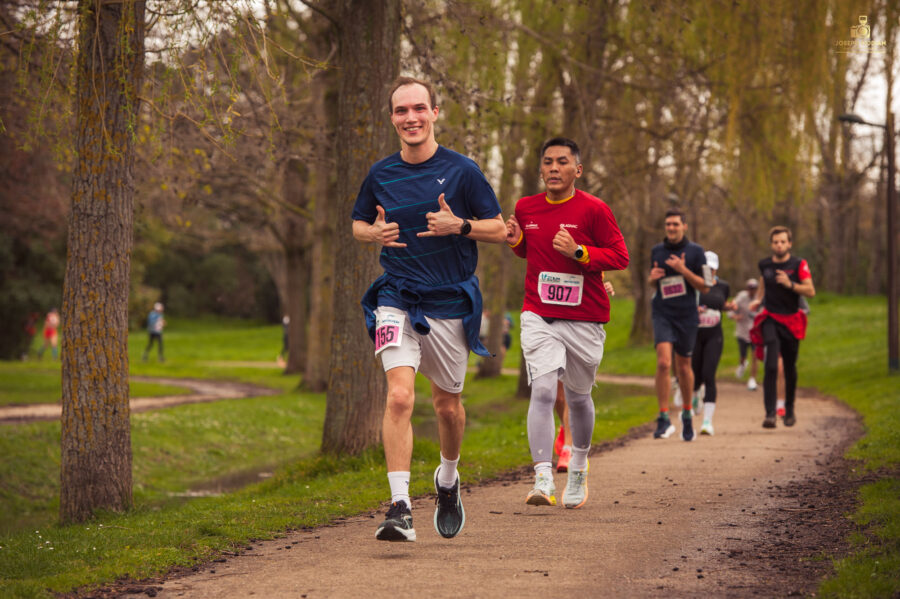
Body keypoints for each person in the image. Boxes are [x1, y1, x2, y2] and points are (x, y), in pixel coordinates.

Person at [352, 76, 506, 542]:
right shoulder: (380, 174)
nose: (411, 118)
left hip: (449, 304)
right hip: (396, 296)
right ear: (392, 118)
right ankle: (399, 507)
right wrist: (372, 235)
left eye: (419, 108)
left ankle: (447, 478)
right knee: (399, 396)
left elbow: (500, 230)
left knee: (448, 408)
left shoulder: (462, 171)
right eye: (402, 111)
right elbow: (358, 224)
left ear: (435, 113)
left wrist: (460, 225)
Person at [506, 137, 629, 509]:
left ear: (577, 170)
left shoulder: (594, 209)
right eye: (548, 162)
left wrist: (579, 252)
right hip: (538, 312)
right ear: (540, 169)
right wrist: (515, 242)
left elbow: (620, 256)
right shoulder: (525, 207)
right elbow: (532, 250)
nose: (554, 168)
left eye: (562, 162)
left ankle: (577, 464)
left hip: (585, 317)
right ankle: (543, 476)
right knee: (543, 390)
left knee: (577, 397)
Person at [647, 208, 709, 441]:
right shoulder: (657, 251)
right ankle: (663, 417)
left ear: (684, 226)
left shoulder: (696, 252)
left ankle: (686, 412)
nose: (671, 228)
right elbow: (653, 282)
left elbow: (705, 286)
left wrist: (684, 271)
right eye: (668, 225)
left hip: (687, 315)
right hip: (662, 312)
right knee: (663, 363)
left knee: (684, 366)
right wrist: (651, 279)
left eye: (675, 224)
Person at [749, 226, 815, 428]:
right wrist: (758, 300)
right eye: (776, 242)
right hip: (770, 317)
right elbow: (763, 283)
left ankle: (789, 410)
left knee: (789, 367)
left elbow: (810, 291)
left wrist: (790, 284)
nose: (779, 245)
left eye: (783, 241)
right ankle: (769, 414)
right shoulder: (765, 265)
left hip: (791, 320)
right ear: (771, 244)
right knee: (770, 365)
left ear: (789, 244)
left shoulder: (798, 264)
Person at [690, 251, 733, 436]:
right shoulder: (693, 284)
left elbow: (722, 303)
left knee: (709, 374)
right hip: (694, 334)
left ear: (716, 269)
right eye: (705, 268)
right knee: (695, 376)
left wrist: (729, 307)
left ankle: (707, 422)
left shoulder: (723, 286)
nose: (709, 271)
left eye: (712, 268)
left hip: (714, 335)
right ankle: (695, 397)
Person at [729, 278, 760, 390]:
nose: (752, 290)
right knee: (743, 356)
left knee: (755, 356)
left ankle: (752, 380)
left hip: (756, 332)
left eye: (754, 288)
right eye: (750, 288)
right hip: (742, 332)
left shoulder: (759, 298)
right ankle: (742, 364)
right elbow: (731, 309)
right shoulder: (741, 297)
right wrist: (735, 316)